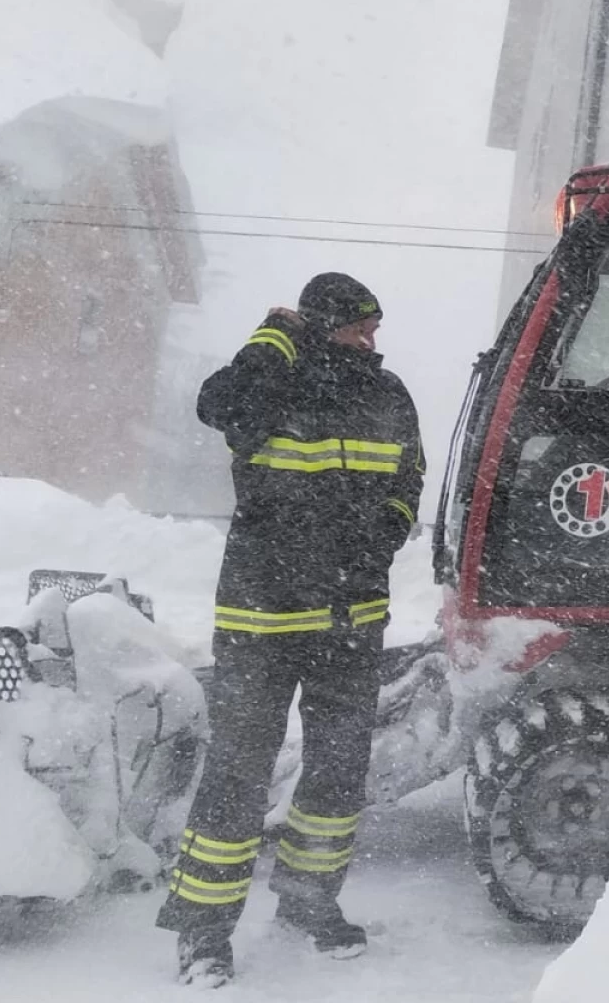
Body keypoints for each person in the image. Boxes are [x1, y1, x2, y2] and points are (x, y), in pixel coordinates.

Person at [159, 273, 423, 988]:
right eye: (359, 326)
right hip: (262, 617)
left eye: (376, 326)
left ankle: (309, 903)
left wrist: (383, 538)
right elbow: (219, 406)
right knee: (239, 771)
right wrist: (273, 337)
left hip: (352, 617)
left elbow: (409, 482)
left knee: (339, 772)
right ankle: (203, 929)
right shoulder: (273, 379)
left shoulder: (387, 393)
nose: (372, 338)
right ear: (320, 323)